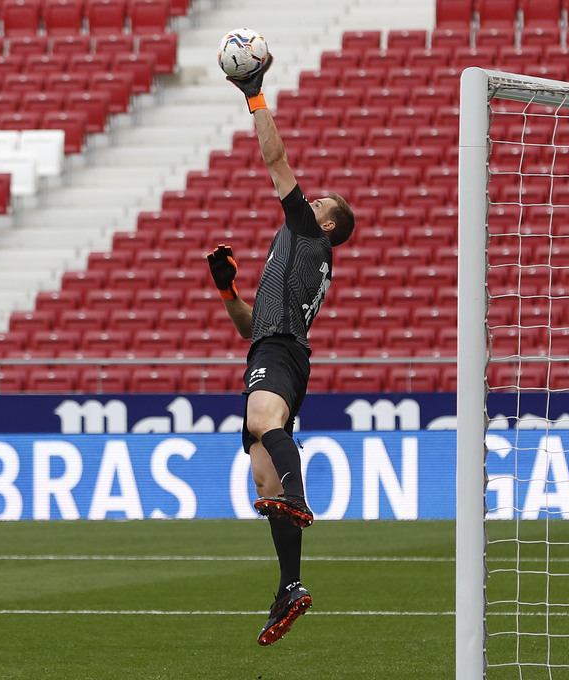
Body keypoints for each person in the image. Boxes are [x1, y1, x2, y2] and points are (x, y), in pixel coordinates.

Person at [206, 53, 355, 647]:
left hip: (284, 352)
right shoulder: (296, 250)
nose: (310, 201)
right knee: (262, 482)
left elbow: (275, 160)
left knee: (262, 423)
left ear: (327, 226)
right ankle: (290, 586)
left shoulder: (306, 236)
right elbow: (248, 327)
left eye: (321, 204)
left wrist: (255, 93)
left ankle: (300, 497)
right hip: (274, 347)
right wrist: (226, 290)